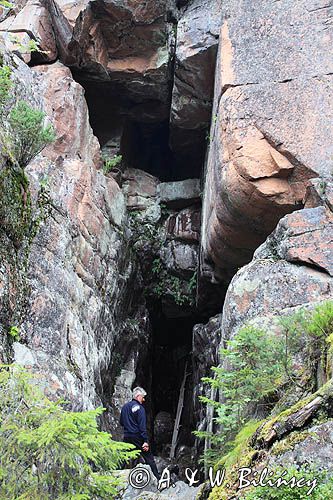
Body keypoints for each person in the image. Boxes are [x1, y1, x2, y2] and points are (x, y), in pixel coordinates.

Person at [120, 386, 160, 480]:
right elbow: (142, 426)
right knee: (149, 458)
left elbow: (121, 422)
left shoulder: (125, 407)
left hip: (127, 436)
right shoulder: (140, 408)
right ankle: (157, 478)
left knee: (123, 458)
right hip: (138, 437)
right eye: (143, 397)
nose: (144, 399)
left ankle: (114, 477)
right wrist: (145, 441)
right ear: (138, 396)